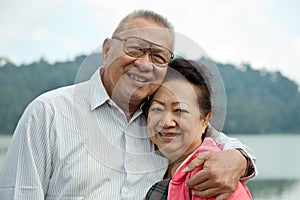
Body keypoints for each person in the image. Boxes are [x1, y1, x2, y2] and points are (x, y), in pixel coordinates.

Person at [0, 10, 256, 199]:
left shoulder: (160, 123)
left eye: (158, 56)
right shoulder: (48, 113)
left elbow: (211, 138)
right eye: (134, 49)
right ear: (107, 49)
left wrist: (239, 159)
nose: (144, 64)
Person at [145, 58, 252, 199]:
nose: (166, 122)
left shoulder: (214, 178)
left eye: (179, 110)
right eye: (158, 109)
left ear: (205, 119)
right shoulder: (150, 159)